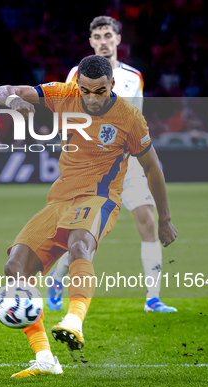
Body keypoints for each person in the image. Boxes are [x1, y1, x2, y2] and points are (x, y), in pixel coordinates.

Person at [0, 55, 177, 377]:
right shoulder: (63, 93)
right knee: (14, 268)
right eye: (86, 91)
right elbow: (3, 89)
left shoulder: (130, 119)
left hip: (100, 197)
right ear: (77, 85)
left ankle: (73, 320)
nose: (91, 99)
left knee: (80, 245)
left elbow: (152, 168)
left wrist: (164, 219)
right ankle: (46, 360)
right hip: (58, 199)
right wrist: (11, 100)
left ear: (112, 86)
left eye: (100, 91)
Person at [45, 16, 177, 313]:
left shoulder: (134, 78)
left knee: (147, 220)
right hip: (93, 168)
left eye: (108, 35)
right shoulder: (76, 75)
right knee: (86, 233)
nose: (103, 41)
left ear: (118, 39)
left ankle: (152, 298)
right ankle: (56, 279)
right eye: (97, 36)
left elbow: (136, 119)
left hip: (127, 163)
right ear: (91, 41)